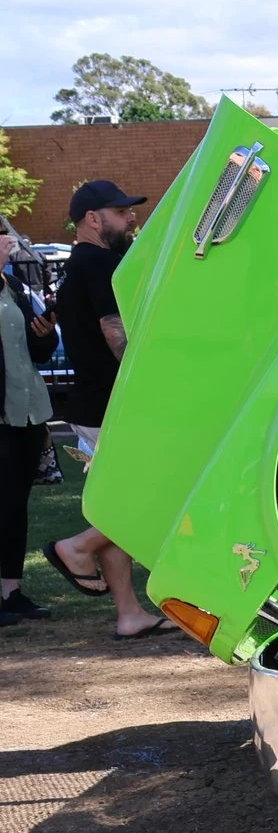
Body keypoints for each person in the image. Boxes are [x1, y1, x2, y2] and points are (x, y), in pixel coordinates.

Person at [42, 180, 171, 639]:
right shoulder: (101, 263)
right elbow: (113, 330)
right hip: (111, 405)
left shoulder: (78, 266)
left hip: (91, 403)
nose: (131, 217)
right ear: (93, 219)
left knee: (115, 502)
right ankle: (76, 548)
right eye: (120, 212)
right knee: (151, 496)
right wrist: (148, 388)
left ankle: (129, 615)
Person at [0, 221, 59, 625]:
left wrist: (45, 333)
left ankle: (12, 592)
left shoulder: (14, 287)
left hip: (28, 408)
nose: (9, 241)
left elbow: (38, 351)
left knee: (15, 503)